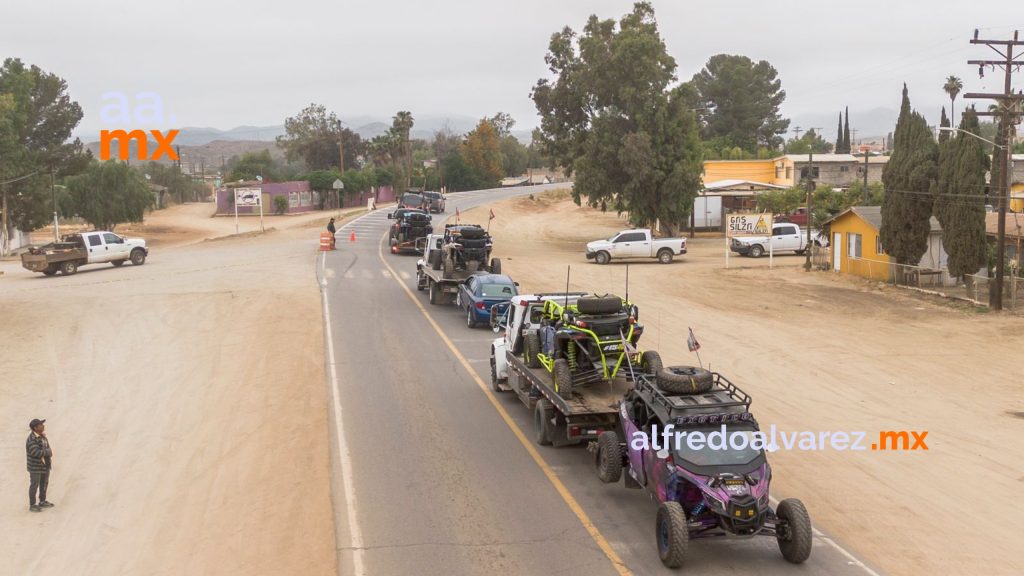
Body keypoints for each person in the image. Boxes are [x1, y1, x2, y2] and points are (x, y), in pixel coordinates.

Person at [26, 418, 53, 512]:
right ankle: (32, 504)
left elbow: (46, 447)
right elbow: (36, 452)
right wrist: (48, 452)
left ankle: (42, 501)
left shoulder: (42, 436)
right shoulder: (32, 439)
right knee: (34, 485)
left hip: (44, 466)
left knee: (44, 484)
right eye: (41, 424)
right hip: (35, 467)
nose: (43, 425)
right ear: (35, 427)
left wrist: (47, 452)